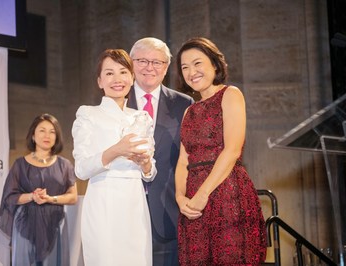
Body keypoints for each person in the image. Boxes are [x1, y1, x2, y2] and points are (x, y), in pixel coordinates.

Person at [175, 37, 267, 265]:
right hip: (193, 203)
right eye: (185, 67)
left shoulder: (230, 94)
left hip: (227, 192)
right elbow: (182, 161)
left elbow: (232, 150)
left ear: (214, 65)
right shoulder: (189, 112)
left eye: (197, 63)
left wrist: (203, 194)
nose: (191, 72)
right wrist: (180, 197)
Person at [72, 49, 157, 266]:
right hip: (103, 202)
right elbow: (81, 169)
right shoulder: (88, 114)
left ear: (131, 78)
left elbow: (150, 173)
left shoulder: (142, 117)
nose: (117, 79)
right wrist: (116, 150)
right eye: (109, 73)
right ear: (100, 81)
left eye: (123, 72)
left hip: (135, 204)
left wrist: (146, 164)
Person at [127, 37, 194, 266]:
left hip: (167, 211)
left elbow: (190, 159)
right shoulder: (114, 100)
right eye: (143, 60)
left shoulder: (184, 104)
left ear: (166, 68)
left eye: (157, 62)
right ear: (131, 63)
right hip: (123, 209)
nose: (149, 67)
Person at [0, 113, 78, 266]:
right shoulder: (20, 164)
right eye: (42, 130)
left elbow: (72, 197)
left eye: (52, 131)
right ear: (33, 135)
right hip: (25, 224)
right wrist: (32, 196)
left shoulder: (65, 165)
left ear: (56, 137)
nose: (47, 135)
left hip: (54, 224)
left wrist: (51, 199)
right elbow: (10, 197)